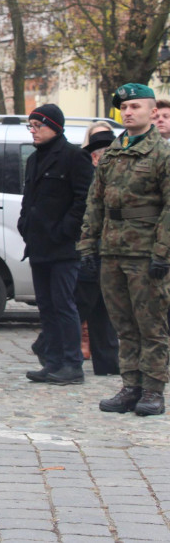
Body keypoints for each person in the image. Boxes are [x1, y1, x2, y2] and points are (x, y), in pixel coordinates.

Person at [79, 83, 170, 417]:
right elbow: (95, 202)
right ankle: (130, 385)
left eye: (135, 107)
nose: (128, 112)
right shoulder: (114, 152)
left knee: (152, 325)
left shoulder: (162, 153)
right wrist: (88, 246)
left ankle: (153, 390)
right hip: (113, 249)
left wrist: (163, 252)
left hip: (146, 252)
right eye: (124, 108)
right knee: (124, 325)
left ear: (151, 112)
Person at [17, 105, 94, 386]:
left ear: (54, 126)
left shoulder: (75, 157)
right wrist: (24, 224)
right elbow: (30, 198)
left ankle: (72, 364)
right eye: (31, 126)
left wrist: (65, 231)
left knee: (64, 306)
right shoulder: (35, 159)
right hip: (38, 245)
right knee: (46, 307)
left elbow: (83, 201)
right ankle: (53, 362)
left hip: (62, 247)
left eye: (38, 126)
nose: (33, 131)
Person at [75, 129, 120, 376]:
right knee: (82, 304)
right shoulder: (90, 178)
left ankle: (107, 361)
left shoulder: (112, 178)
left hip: (108, 249)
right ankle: (55, 350)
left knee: (103, 308)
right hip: (91, 250)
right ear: (95, 157)